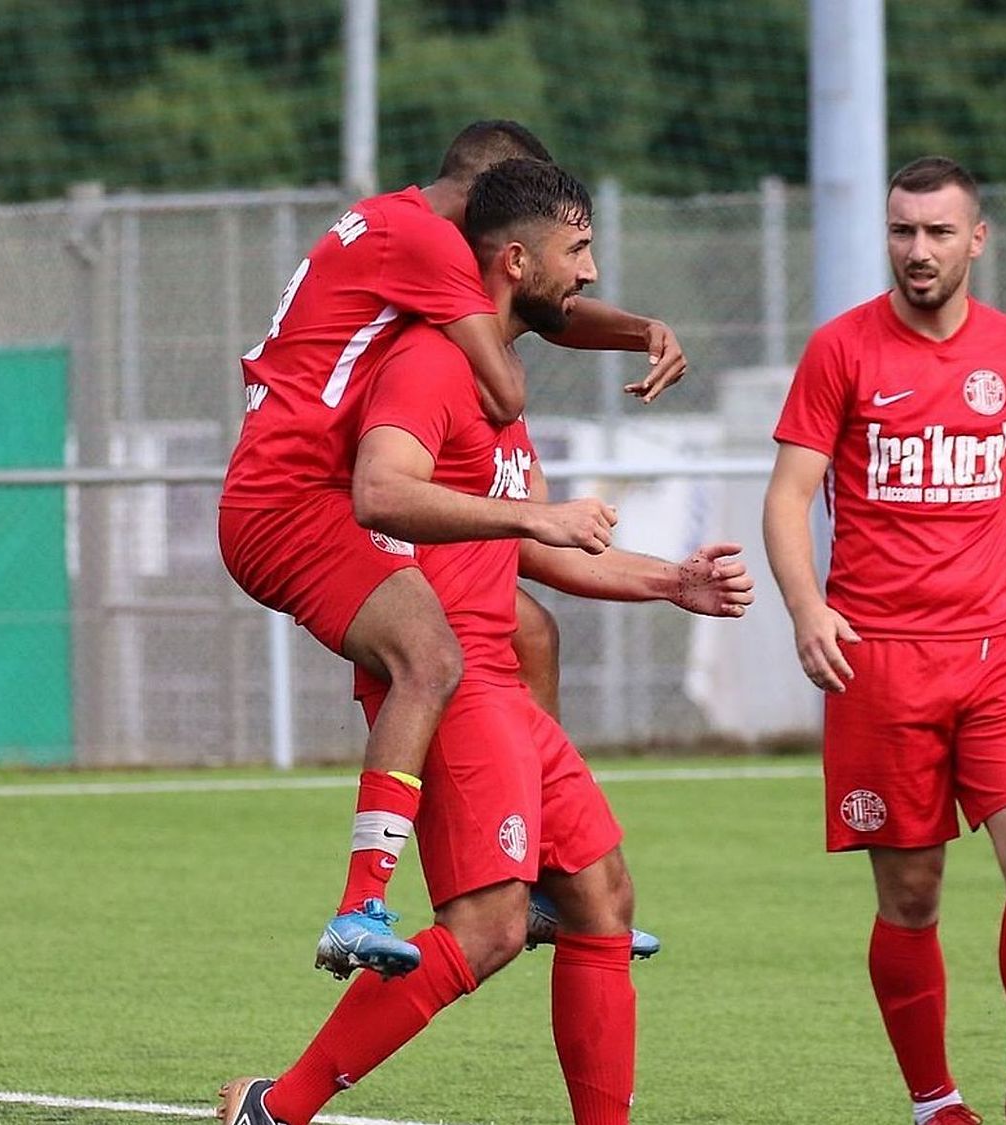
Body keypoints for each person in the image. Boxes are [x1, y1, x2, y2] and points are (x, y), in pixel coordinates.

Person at [220, 158, 752, 1125]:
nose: (589, 273)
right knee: (490, 926)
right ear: (515, 259)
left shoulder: (494, 378)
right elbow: (382, 485)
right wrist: (536, 523)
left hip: (499, 684)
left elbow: (539, 547)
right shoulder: (432, 362)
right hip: (456, 687)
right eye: (578, 250)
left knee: (602, 898)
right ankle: (279, 1107)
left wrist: (672, 581)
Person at [761, 156, 1006, 1125]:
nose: (916, 251)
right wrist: (804, 607)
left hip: (997, 654)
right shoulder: (839, 350)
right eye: (901, 231)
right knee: (910, 897)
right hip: (878, 662)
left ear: (975, 241)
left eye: (936, 233)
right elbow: (786, 496)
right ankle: (933, 1102)